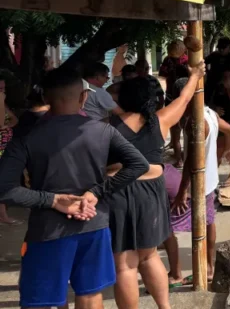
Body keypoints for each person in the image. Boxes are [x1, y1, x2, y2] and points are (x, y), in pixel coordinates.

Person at [0, 67, 149, 309]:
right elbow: (138, 164)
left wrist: (52, 200)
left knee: (40, 301)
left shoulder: (27, 138)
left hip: (48, 232)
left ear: (46, 99)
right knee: (90, 295)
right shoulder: (103, 131)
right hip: (94, 224)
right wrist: (95, 193)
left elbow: (4, 188)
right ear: (84, 97)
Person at [106, 62, 205, 309]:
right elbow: (183, 99)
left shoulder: (107, 126)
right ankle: (165, 308)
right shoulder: (159, 121)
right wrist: (195, 76)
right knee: (149, 256)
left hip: (118, 192)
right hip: (151, 191)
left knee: (125, 264)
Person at [163, 77, 230, 287]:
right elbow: (229, 130)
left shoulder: (196, 120)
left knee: (167, 227)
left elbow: (191, 162)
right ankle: (208, 268)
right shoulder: (210, 113)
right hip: (209, 180)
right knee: (208, 221)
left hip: (198, 183)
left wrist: (182, 191)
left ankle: (177, 273)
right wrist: (225, 151)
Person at [159, 40, 190, 167]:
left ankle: (183, 158)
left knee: (184, 129)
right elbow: (163, 76)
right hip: (174, 97)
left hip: (182, 99)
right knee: (176, 129)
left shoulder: (188, 61)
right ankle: (180, 158)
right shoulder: (169, 60)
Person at [0, 77, 19, 225]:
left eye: (3, 89)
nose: (3, 91)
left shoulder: (3, 103)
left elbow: (14, 119)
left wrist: (8, 126)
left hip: (5, 147)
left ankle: (3, 215)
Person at [204, 37, 230, 102]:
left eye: (223, 48)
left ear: (229, 47)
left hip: (227, 86)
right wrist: (207, 72)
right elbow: (203, 62)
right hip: (212, 83)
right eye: (219, 48)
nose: (221, 50)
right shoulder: (214, 55)